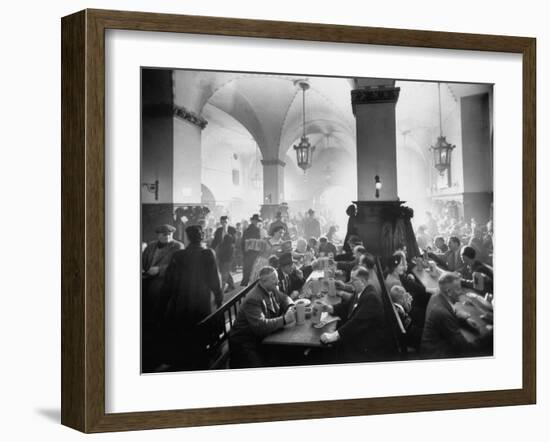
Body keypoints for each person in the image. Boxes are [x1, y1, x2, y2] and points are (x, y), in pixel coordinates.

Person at [159, 225, 223, 369]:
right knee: (201, 328)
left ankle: (185, 360)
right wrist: (219, 298)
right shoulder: (208, 253)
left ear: (187, 238)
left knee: (185, 329)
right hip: (202, 299)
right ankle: (202, 360)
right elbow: (215, 280)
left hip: (182, 299)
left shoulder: (178, 255)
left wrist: (163, 302)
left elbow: (169, 281)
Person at [319, 261, 396, 362]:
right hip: (360, 333)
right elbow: (346, 307)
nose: (350, 282)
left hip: (368, 344)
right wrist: (330, 308)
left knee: (329, 353)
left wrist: (334, 336)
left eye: (353, 280)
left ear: (363, 281)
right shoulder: (360, 291)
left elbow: (357, 322)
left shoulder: (371, 298)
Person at [229, 266, 295, 368]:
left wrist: (291, 307)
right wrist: (284, 319)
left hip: (260, 337)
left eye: (276, 277)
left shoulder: (271, 288)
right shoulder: (253, 298)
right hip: (245, 343)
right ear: (263, 281)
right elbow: (260, 326)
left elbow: (284, 298)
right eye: (273, 279)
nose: (277, 281)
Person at [141, 224, 184, 371]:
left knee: (160, 316)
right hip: (146, 280)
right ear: (157, 235)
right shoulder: (151, 246)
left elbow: (178, 266)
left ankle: (160, 348)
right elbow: (143, 259)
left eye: (169, 235)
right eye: (163, 234)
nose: (166, 237)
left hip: (164, 284)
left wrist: (159, 270)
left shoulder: (178, 247)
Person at [420, 272, 484, 359]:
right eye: (458, 289)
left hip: (432, 346)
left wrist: (466, 322)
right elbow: (465, 349)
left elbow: (451, 313)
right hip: (435, 354)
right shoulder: (442, 313)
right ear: (449, 291)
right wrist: (490, 337)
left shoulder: (437, 295)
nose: (461, 292)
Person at [390, 285, 422, 351]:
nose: (409, 298)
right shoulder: (400, 312)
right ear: (401, 300)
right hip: (410, 340)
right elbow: (410, 328)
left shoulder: (396, 308)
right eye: (406, 297)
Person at [210, 216, 237, 293]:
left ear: (228, 221)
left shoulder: (232, 229)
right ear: (220, 222)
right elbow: (215, 241)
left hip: (229, 252)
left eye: (225, 222)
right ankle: (231, 285)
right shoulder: (218, 230)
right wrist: (211, 249)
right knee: (223, 269)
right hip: (220, 251)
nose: (224, 223)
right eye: (222, 222)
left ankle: (221, 289)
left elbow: (234, 241)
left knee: (224, 270)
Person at [241, 214, 262, 286]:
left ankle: (243, 288)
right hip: (253, 253)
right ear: (252, 221)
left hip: (248, 253)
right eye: (255, 220)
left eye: (257, 221)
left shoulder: (247, 230)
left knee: (247, 272)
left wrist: (244, 252)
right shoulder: (256, 230)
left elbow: (243, 242)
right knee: (251, 272)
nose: (256, 222)